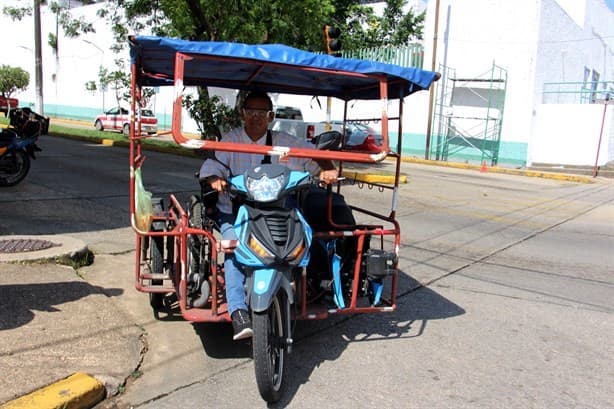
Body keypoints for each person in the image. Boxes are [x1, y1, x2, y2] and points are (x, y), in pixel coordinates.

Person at [199, 91, 338, 340]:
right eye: (251, 111)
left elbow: (314, 156)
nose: (256, 117)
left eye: (262, 113)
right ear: (242, 113)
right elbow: (213, 165)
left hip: (277, 211)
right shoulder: (231, 141)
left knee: (304, 234)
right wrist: (215, 178)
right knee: (235, 248)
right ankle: (239, 311)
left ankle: (318, 284)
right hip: (235, 212)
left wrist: (327, 169)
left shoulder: (285, 141)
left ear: (271, 116)